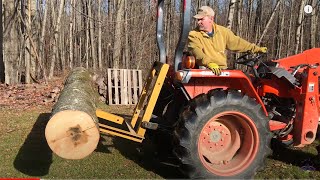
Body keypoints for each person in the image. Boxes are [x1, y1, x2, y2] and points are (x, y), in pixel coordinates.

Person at [188, 6, 267, 75]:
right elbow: (196, 51)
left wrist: (256, 49)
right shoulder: (194, 35)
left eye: (201, 19)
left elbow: (238, 43)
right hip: (205, 70)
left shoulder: (223, 32)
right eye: (198, 20)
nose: (198, 22)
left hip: (222, 70)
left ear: (211, 19)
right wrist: (209, 63)